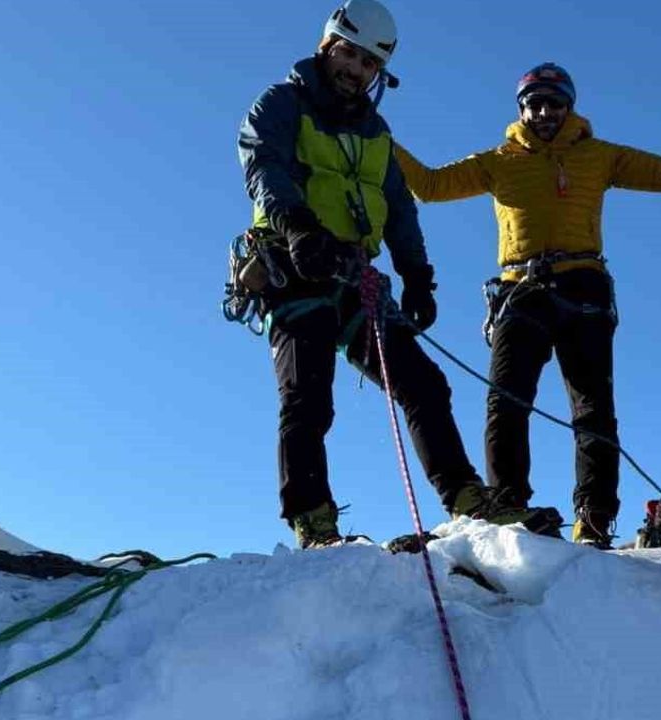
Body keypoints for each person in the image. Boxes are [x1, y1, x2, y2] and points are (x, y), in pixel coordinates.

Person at [237, 1, 562, 549]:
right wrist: (297, 227)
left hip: (353, 276)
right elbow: (262, 163)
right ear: (327, 46)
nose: (356, 70)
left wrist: (417, 276)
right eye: (349, 55)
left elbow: (398, 204)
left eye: (369, 63)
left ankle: (466, 498)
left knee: (424, 383)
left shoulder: (376, 131)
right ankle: (313, 519)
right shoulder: (282, 103)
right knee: (307, 396)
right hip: (293, 267)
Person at [394, 61, 661, 548]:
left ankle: (594, 519)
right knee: (506, 400)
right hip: (521, 289)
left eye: (554, 104)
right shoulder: (498, 161)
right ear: (521, 109)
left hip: (584, 286)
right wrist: (378, 136)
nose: (544, 112)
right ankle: (509, 506)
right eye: (535, 104)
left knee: (593, 409)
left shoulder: (597, 156)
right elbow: (430, 186)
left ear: (569, 107)